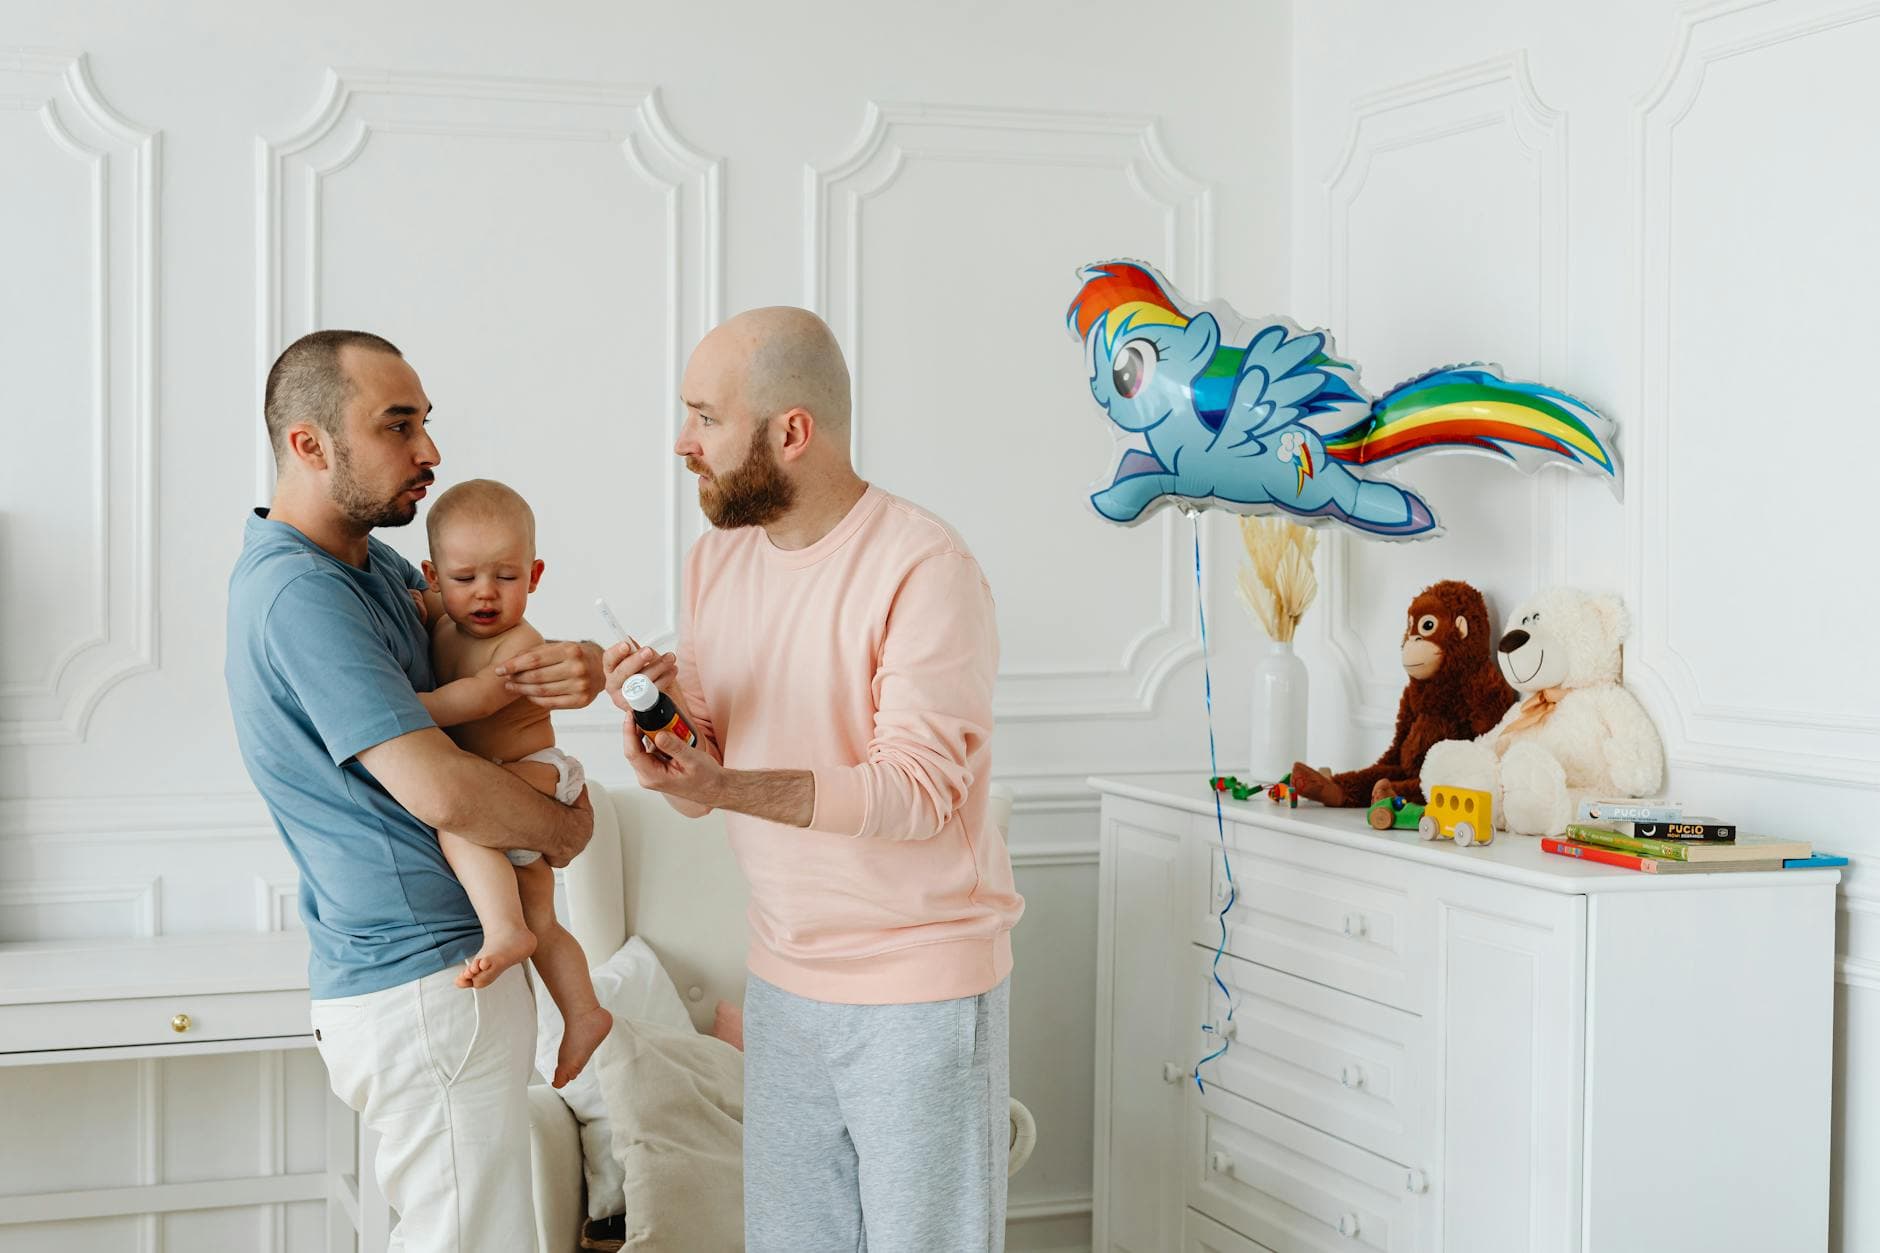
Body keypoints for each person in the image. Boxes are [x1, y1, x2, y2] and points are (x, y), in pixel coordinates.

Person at [604, 307, 1026, 1252]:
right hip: (784, 977)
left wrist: (723, 786)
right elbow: (710, 768)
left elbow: (915, 791)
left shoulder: (926, 567)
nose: (683, 442)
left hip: (919, 988)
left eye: (705, 417)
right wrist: (665, 749)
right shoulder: (716, 561)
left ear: (791, 431)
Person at [224, 330, 628, 1252]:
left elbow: (491, 640)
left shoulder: (379, 569)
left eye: (425, 423)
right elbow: (440, 787)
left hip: (440, 968)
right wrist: (563, 831)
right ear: (310, 444)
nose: (430, 450)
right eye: (397, 425)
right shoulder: (300, 593)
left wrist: (579, 661)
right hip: (423, 976)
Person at [416, 477, 655, 1086]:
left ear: (534, 575)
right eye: (464, 578)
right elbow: (426, 608)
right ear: (434, 578)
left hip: (539, 774)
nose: (486, 592)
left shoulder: (519, 644)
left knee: (457, 820)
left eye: (506, 576)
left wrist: (399, 708)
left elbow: (475, 700)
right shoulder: (441, 619)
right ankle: (584, 1013)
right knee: (544, 919)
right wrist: (420, 606)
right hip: (507, 784)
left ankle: (504, 931)